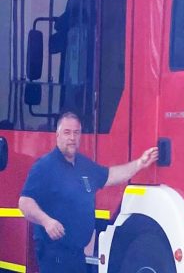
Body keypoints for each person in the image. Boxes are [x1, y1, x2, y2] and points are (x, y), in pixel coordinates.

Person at [18, 111, 159, 273]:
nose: (72, 137)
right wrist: (46, 221)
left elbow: (111, 175)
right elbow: (25, 202)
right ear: (57, 135)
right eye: (67, 132)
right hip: (54, 255)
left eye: (76, 133)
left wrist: (140, 163)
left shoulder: (84, 165)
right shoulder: (44, 167)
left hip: (77, 255)